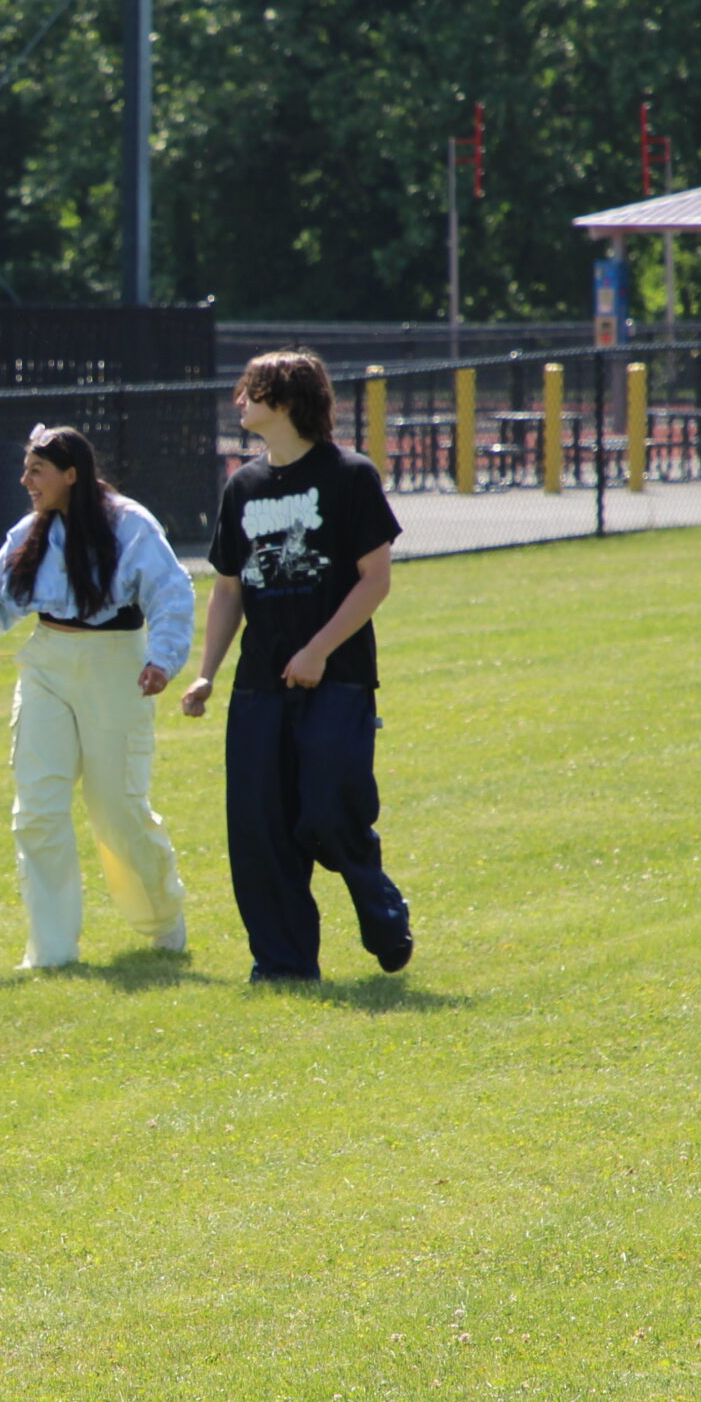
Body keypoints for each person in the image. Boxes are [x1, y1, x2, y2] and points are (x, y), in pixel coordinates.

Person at [0, 425, 194, 971]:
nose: (25, 481)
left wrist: (163, 659)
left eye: (36, 471)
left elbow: (172, 592)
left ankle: (163, 921)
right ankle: (52, 950)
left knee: (117, 811)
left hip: (118, 667)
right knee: (37, 812)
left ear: (72, 474)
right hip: (46, 667)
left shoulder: (131, 525)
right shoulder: (30, 531)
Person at [180, 350, 414, 982]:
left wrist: (317, 650)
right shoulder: (242, 487)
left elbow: (375, 581)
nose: (240, 403)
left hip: (336, 681)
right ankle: (283, 966)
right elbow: (228, 588)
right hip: (258, 686)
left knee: (329, 812)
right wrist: (206, 671)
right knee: (260, 830)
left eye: (252, 393)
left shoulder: (349, 476)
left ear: (284, 400)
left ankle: (381, 909)